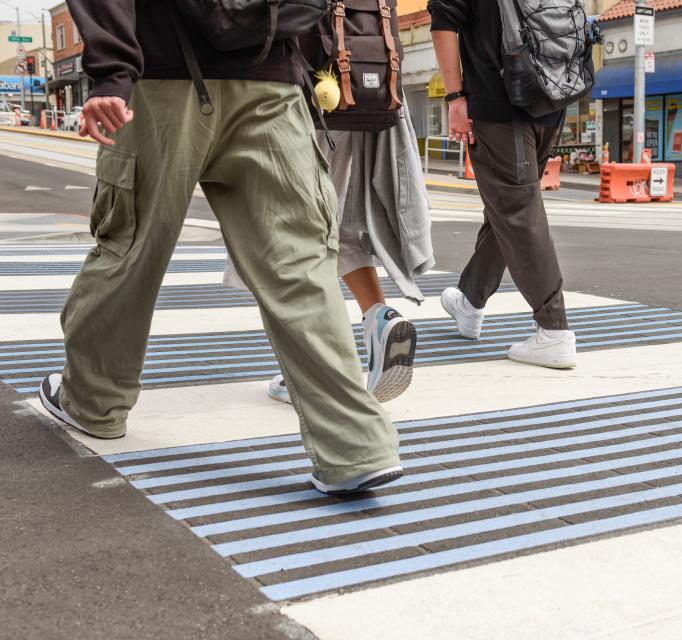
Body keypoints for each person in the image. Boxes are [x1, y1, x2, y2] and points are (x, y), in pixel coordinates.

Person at [37, 1, 403, 496]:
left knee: (131, 249)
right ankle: (355, 448)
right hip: (272, 83)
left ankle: (93, 403)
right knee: (299, 266)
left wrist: (113, 73)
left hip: (159, 81)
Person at [224, 114, 434, 405]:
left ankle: (306, 369)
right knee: (339, 228)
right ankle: (380, 320)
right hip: (352, 108)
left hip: (296, 104)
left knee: (288, 232)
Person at [428, 0, 577, 369]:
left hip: (499, 102)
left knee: (517, 211)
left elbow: (444, 22)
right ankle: (470, 300)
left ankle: (553, 330)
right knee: (508, 204)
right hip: (549, 97)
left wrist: (455, 98)